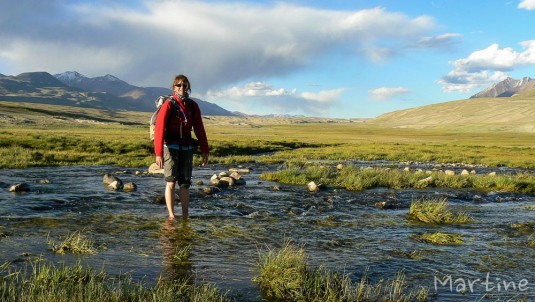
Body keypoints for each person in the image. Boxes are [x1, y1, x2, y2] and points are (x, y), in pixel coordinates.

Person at [153, 74, 209, 220]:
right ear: (174, 87)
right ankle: (171, 216)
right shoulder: (168, 105)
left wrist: (205, 150)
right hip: (170, 148)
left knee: (185, 184)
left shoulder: (192, 106)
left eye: (184, 85)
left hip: (186, 148)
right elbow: (159, 129)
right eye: (179, 85)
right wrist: (158, 153)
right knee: (171, 181)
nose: (182, 88)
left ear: (188, 87)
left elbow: (199, 129)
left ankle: (185, 215)